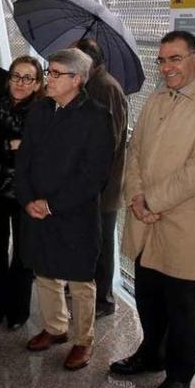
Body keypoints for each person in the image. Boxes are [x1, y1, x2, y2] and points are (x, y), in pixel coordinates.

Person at [110, 30, 195, 388]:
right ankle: (151, 354)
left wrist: (151, 201)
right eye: (162, 60)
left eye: (175, 59)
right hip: (144, 215)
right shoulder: (156, 98)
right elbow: (135, 150)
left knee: (182, 305)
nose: (167, 67)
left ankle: (180, 375)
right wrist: (136, 195)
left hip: (181, 223)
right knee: (148, 296)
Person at [15, 49, 114, 371]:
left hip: (74, 213)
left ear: (77, 80)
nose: (49, 78)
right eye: (49, 71)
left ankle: (83, 341)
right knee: (44, 270)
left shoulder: (97, 116)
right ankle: (56, 328)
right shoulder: (41, 109)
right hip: (36, 208)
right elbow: (25, 157)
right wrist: (28, 197)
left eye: (56, 73)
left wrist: (52, 204)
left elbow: (94, 174)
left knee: (80, 279)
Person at [0, 56, 43, 331]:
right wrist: (13, 143)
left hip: (25, 192)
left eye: (27, 78)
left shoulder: (44, 112)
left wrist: (1, 139)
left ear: (38, 83)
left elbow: (37, 152)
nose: (20, 82)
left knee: (23, 254)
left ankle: (18, 312)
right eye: (16, 76)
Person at [72, 38, 128, 319]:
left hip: (102, 188)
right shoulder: (91, 85)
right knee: (90, 241)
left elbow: (111, 142)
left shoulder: (106, 89)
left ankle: (103, 301)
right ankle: (89, 293)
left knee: (102, 244)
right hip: (89, 184)